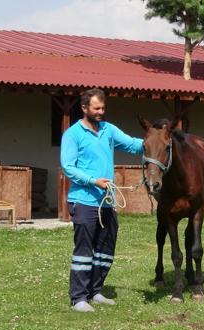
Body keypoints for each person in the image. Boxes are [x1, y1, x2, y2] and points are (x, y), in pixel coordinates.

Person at [60, 88, 144, 312]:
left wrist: (156, 140)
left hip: (107, 202)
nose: (100, 112)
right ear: (84, 108)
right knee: (84, 251)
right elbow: (68, 167)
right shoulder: (73, 134)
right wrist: (93, 181)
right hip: (84, 200)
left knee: (105, 249)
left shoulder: (108, 130)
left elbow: (132, 144)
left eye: (103, 108)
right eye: (96, 108)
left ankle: (95, 291)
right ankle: (79, 298)